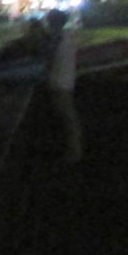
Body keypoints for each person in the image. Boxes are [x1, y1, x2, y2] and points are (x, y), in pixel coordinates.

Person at [44, 9, 83, 164]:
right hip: (65, 81)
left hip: (59, 82)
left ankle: (74, 152)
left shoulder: (57, 38)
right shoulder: (67, 37)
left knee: (67, 118)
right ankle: (72, 150)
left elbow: (48, 57)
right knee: (66, 118)